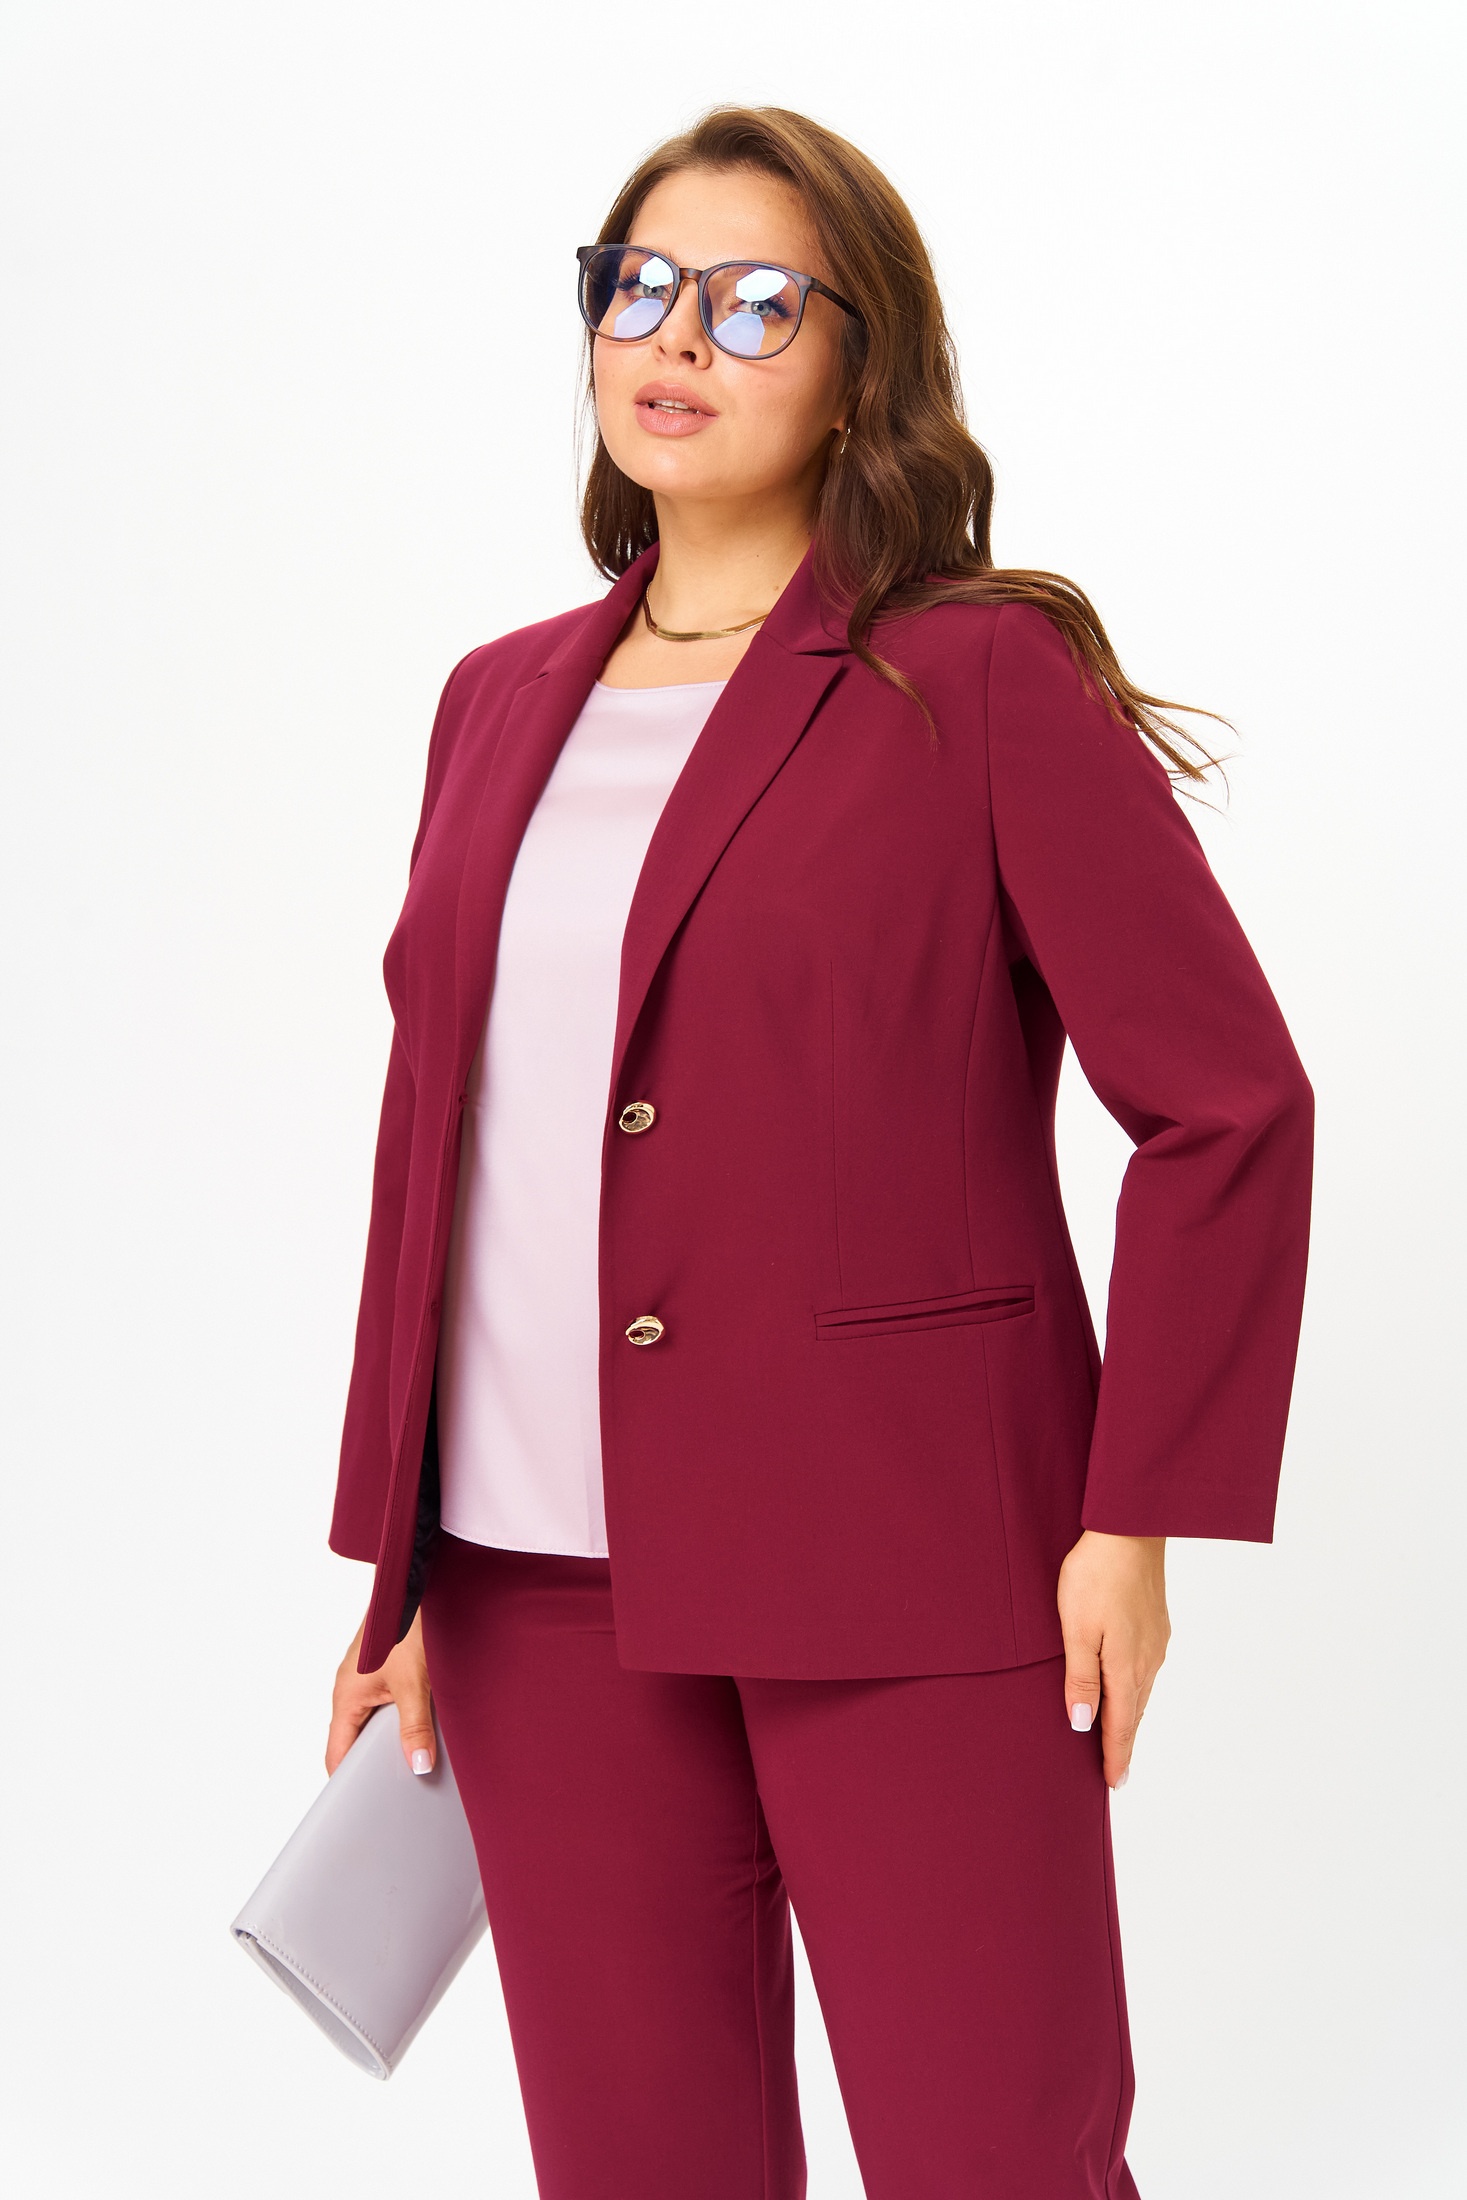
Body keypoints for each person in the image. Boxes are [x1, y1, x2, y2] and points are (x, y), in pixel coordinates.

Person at [321, 105, 1313, 2200]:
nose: (680, 335)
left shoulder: (976, 677)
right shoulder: (493, 702)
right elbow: (443, 1136)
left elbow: (1225, 1106)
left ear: (863, 370)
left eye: (760, 300)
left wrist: (1133, 1517)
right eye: (641, 285)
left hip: (915, 1559)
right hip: (532, 1588)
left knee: (994, 2158)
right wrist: (402, 1562)